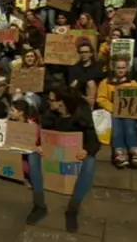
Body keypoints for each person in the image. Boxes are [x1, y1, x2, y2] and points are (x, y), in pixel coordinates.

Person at [25, 85, 100, 232]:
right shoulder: (50, 115)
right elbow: (43, 135)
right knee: (32, 155)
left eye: (51, 100)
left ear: (61, 102)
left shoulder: (81, 114)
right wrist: (39, 145)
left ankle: (73, 208)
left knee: (90, 161)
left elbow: (94, 141)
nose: (49, 102)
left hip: (75, 154)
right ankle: (39, 205)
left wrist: (86, 150)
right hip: (54, 154)